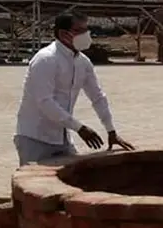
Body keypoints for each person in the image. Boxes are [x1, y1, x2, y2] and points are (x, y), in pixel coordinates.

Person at [13, 11, 134, 166]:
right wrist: (80, 128)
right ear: (64, 34)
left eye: (86, 29)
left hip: (62, 138)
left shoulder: (83, 62)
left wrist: (111, 131)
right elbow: (44, 102)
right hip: (35, 138)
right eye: (80, 31)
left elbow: (97, 97)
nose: (86, 34)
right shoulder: (46, 60)